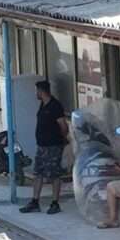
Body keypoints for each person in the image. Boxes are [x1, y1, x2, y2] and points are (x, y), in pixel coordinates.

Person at [29, 80, 68, 214]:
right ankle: (35, 201)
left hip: (53, 146)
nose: (35, 93)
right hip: (41, 146)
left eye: (36, 91)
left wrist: (60, 140)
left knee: (54, 175)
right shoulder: (42, 105)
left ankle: (55, 203)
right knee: (37, 174)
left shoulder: (55, 106)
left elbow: (63, 126)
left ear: (41, 91)